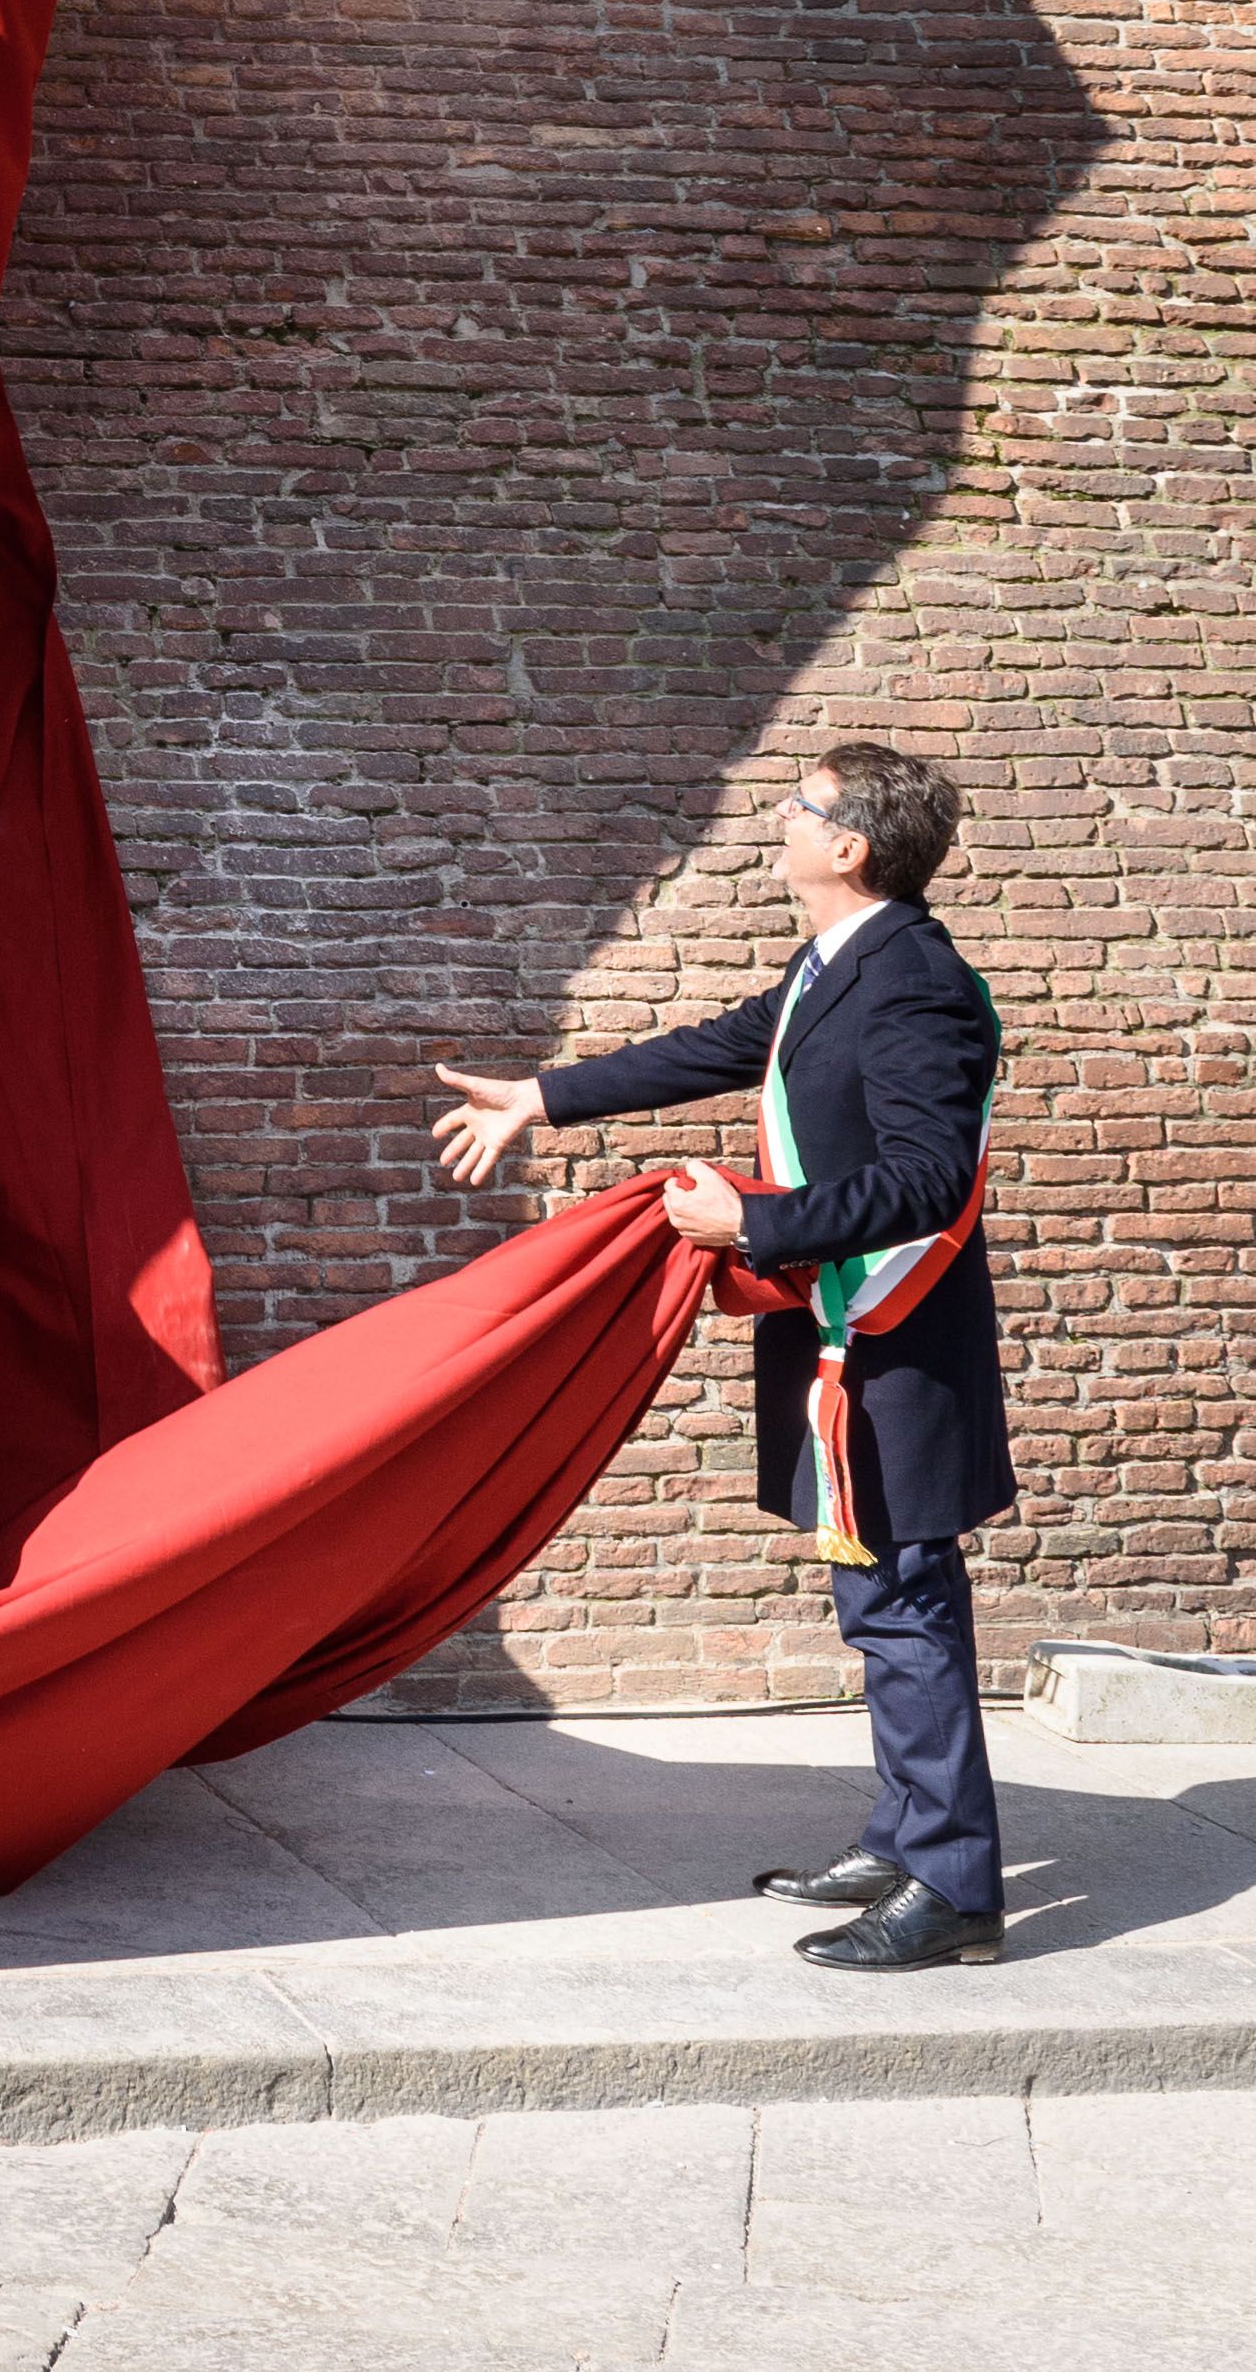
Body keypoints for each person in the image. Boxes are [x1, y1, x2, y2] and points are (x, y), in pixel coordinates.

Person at [432, 742, 1013, 1975]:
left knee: (905, 1607)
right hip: (848, 1331)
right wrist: (541, 1097)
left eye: (800, 808)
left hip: (896, 1349)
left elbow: (925, 1179)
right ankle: (906, 1833)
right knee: (880, 1604)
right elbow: (722, 1042)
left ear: (848, 848)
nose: (781, 820)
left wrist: (753, 1221)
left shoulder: (913, 981)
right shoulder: (835, 962)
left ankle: (954, 1884)